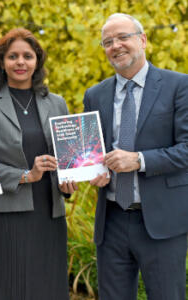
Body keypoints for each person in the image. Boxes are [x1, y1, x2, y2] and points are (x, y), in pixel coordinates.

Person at [0, 28, 77, 300]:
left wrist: (68, 182)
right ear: (1, 63)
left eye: (28, 56)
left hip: (47, 218)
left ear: (37, 61)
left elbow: (66, 158)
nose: (20, 62)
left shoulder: (57, 103)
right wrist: (26, 175)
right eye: (13, 56)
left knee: (44, 291)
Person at [83, 13, 188, 300]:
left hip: (162, 221)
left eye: (123, 37)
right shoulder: (95, 94)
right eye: (108, 41)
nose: (115, 45)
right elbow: (93, 151)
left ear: (142, 40)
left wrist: (139, 160)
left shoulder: (179, 86)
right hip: (112, 219)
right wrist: (93, 169)